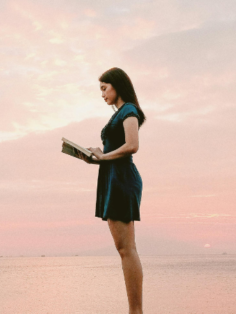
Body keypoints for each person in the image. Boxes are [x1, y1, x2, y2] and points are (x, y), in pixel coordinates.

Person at [88, 67, 146, 314]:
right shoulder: (119, 113)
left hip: (122, 179)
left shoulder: (129, 110)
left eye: (104, 88)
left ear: (117, 86)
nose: (102, 94)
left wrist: (103, 158)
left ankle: (136, 311)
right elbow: (117, 147)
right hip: (113, 178)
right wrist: (98, 156)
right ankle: (135, 310)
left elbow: (132, 145)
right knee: (124, 249)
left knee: (127, 249)